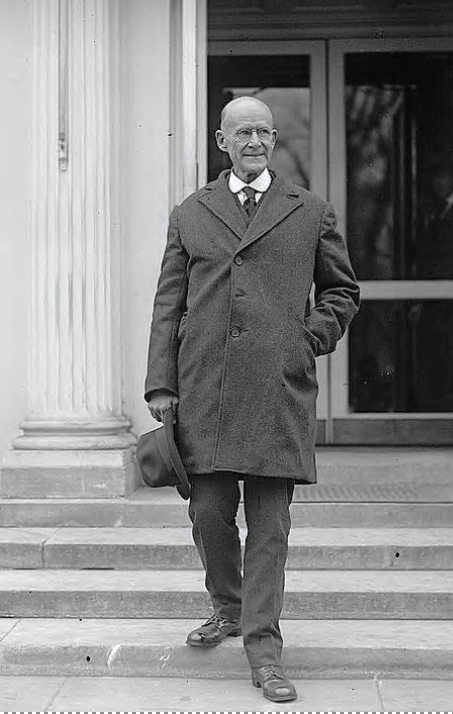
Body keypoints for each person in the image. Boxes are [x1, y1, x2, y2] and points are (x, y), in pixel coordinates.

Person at [144, 96, 360, 703]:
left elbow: (342, 291)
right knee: (209, 514)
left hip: (275, 390)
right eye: (243, 132)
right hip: (204, 390)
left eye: (264, 131)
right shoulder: (190, 213)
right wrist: (162, 385)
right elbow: (168, 305)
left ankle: (264, 653)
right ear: (222, 141)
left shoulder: (310, 210)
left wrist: (306, 339)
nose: (255, 141)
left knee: (269, 528)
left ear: (273, 139)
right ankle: (228, 606)